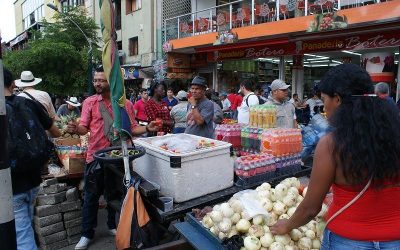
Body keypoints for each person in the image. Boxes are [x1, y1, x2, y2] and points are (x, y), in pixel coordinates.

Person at [271, 64, 400, 249]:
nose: (324, 107)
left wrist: (288, 225)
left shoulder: (332, 144)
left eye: (325, 100)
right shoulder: (395, 136)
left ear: (338, 100)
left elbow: (310, 208)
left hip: (348, 240)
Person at [66, 66, 159, 250]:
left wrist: (148, 128)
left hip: (119, 158)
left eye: (101, 80)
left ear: (111, 82)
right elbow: (84, 127)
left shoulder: (125, 104)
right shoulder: (90, 102)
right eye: (95, 80)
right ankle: (86, 233)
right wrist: (76, 129)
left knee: (114, 195)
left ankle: (110, 224)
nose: (97, 84)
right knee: (91, 196)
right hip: (96, 156)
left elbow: (132, 129)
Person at [4, 67, 61, 250]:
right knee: (25, 223)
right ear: (13, 84)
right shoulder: (28, 103)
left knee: (22, 234)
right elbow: (56, 131)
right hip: (34, 175)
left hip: (11, 183)